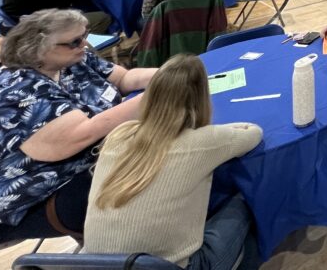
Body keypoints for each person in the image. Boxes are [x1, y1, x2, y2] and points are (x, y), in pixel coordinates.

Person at [0, 10, 156, 245]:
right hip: (37, 195)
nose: (84, 44)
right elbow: (76, 137)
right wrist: (157, 96)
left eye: (84, 35)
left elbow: (123, 79)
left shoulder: (74, 59)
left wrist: (164, 75)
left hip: (95, 161)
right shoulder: (16, 87)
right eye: (75, 41)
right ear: (38, 49)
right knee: (154, 173)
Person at [83, 54, 261, 269]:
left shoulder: (119, 134)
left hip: (95, 265)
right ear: (201, 99)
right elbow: (254, 133)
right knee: (246, 197)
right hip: (175, 266)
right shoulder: (205, 141)